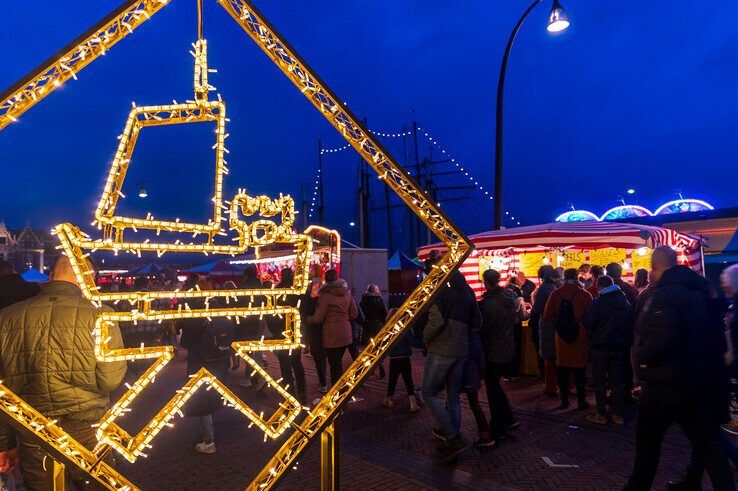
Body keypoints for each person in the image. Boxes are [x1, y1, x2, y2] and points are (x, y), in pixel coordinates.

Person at [0, 257, 127, 487]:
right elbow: (111, 380)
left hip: (34, 431)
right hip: (87, 429)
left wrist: (5, 443)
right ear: (88, 280)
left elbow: (3, 390)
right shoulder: (101, 316)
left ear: (51, 275)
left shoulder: (7, 317)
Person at [626, 246, 734, 490]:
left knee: (647, 446)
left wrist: (640, 364)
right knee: (708, 443)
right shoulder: (701, 288)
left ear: (655, 266)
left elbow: (660, 338)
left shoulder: (664, 294)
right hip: (696, 379)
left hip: (663, 384)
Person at [421, 270, 481, 462]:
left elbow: (436, 321)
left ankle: (452, 435)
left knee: (427, 393)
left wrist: (426, 339)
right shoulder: (468, 291)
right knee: (453, 395)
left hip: (441, 350)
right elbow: (477, 322)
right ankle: (452, 436)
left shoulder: (439, 292)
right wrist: (462, 334)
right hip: (461, 350)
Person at [178, 280, 233, 454]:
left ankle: (209, 441)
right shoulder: (220, 307)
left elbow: (186, 341)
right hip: (220, 357)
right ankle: (209, 432)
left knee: (202, 399)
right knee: (212, 394)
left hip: (201, 360)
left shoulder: (196, 310)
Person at [582, 275, 632, 425]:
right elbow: (630, 323)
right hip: (619, 347)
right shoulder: (625, 302)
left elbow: (588, 322)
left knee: (600, 381)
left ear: (599, 287)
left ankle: (601, 413)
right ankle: (617, 413)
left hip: (600, 347)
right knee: (617, 380)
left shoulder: (598, 303)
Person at [479, 269, 520, 442]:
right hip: (508, 346)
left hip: (493, 350)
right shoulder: (509, 298)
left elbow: (485, 329)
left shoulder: (488, 304)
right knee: (496, 384)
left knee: (492, 387)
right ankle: (509, 418)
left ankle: (498, 424)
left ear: (486, 283)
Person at [544, 268, 593, 410]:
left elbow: (548, 315)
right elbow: (591, 317)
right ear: (577, 278)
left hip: (561, 337)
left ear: (564, 278)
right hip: (580, 337)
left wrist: (561, 322)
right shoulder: (585, 295)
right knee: (579, 371)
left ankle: (564, 401)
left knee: (563, 369)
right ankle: (581, 401)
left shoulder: (555, 294)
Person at [308, 269, 358, 387]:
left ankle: (337, 394)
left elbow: (318, 318)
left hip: (332, 334)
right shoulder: (347, 293)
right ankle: (341, 389)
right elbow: (354, 313)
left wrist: (309, 319)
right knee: (338, 363)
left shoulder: (325, 296)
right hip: (346, 332)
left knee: (334, 365)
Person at [273, 268, 307, 404]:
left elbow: (273, 313)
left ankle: (290, 393)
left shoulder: (278, 290)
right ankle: (302, 391)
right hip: (296, 330)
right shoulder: (298, 290)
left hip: (281, 332)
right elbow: (303, 311)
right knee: (297, 363)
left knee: (285, 365)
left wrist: (275, 331)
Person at [384, 308, 423, 413]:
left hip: (393, 358)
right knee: (408, 380)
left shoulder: (388, 329)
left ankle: (389, 400)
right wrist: (424, 344)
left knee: (392, 380)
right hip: (404, 358)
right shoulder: (404, 328)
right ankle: (412, 403)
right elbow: (412, 341)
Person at [237, 265, 268, 390]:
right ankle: (257, 375)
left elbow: (240, 303)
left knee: (249, 350)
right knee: (256, 349)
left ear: (246, 275)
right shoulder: (259, 286)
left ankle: (250, 377)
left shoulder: (245, 287)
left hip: (248, 321)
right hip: (258, 320)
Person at [531, 266, 559, 395]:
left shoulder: (544, 288)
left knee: (548, 356)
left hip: (547, 325)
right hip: (556, 325)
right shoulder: (557, 287)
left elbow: (537, 309)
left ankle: (550, 386)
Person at [461, 329, 490, 446]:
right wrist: (481, 375)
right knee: (474, 403)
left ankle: (450, 433)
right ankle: (485, 432)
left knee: (452, 402)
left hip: (462, 374)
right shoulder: (474, 335)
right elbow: (481, 357)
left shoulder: (459, 335)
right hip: (472, 375)